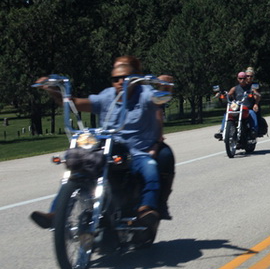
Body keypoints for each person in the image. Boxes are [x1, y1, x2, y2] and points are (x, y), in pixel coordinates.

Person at [30, 57, 169, 238]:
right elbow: (74, 103)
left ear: (135, 78)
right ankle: (57, 214)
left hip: (137, 152)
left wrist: (164, 86)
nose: (120, 81)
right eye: (115, 78)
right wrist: (53, 91)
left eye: (125, 77)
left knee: (151, 169)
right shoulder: (107, 96)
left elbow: (158, 100)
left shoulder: (145, 93)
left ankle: (146, 209)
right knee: (75, 169)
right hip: (107, 149)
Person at [214, 71, 261, 139]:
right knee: (227, 114)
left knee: (252, 113)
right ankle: (222, 131)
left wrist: (256, 103)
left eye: (244, 78)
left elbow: (257, 96)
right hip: (237, 108)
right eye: (240, 78)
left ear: (246, 79)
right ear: (238, 79)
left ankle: (254, 130)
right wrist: (220, 95)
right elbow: (228, 96)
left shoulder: (251, 88)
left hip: (247, 108)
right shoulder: (234, 88)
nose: (242, 80)